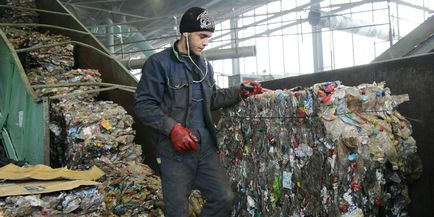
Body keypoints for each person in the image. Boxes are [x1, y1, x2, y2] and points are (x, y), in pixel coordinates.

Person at [134, 7, 264, 217]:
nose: (205, 43)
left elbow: (211, 99)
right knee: (177, 211)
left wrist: (239, 90)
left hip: (204, 146)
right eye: (201, 36)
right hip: (173, 151)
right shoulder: (158, 64)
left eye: (209, 38)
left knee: (223, 197)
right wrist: (173, 129)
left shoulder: (205, 66)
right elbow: (143, 104)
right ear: (185, 33)